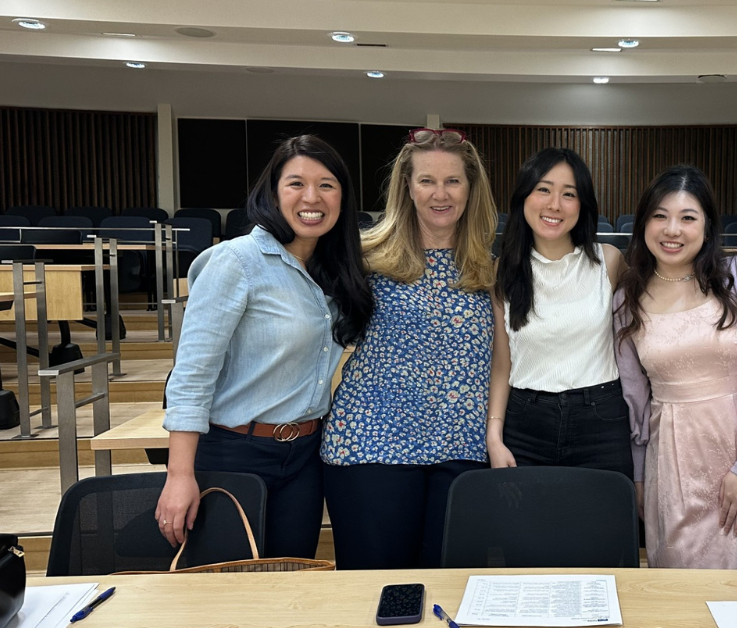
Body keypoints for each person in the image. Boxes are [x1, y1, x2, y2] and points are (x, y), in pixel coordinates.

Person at [155, 135, 374, 558]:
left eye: (327, 184)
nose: (312, 197)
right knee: (227, 595)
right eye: (296, 183)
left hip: (306, 456)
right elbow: (192, 374)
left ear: (343, 197)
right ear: (273, 192)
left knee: (290, 586)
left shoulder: (335, 269)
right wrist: (179, 473)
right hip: (234, 452)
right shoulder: (235, 262)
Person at [321, 127, 497, 569]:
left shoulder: (490, 270)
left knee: (451, 589)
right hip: (370, 447)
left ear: (471, 188)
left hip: (463, 448)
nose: (441, 193)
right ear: (407, 187)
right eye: (427, 181)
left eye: (453, 181)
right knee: (374, 590)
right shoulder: (364, 257)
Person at [614, 165, 737, 569]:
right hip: (673, 460)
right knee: (684, 573)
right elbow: (634, 400)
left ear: (708, 226)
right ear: (643, 223)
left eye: (687, 218)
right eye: (659, 216)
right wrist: (641, 478)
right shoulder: (628, 297)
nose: (671, 229)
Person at [486, 148, 631, 477]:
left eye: (569, 194)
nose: (554, 204)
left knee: (604, 526)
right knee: (526, 527)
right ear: (524, 196)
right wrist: (494, 435)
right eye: (543, 189)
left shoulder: (608, 262)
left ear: (583, 204)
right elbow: (502, 362)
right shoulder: (502, 272)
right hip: (524, 424)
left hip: (602, 421)